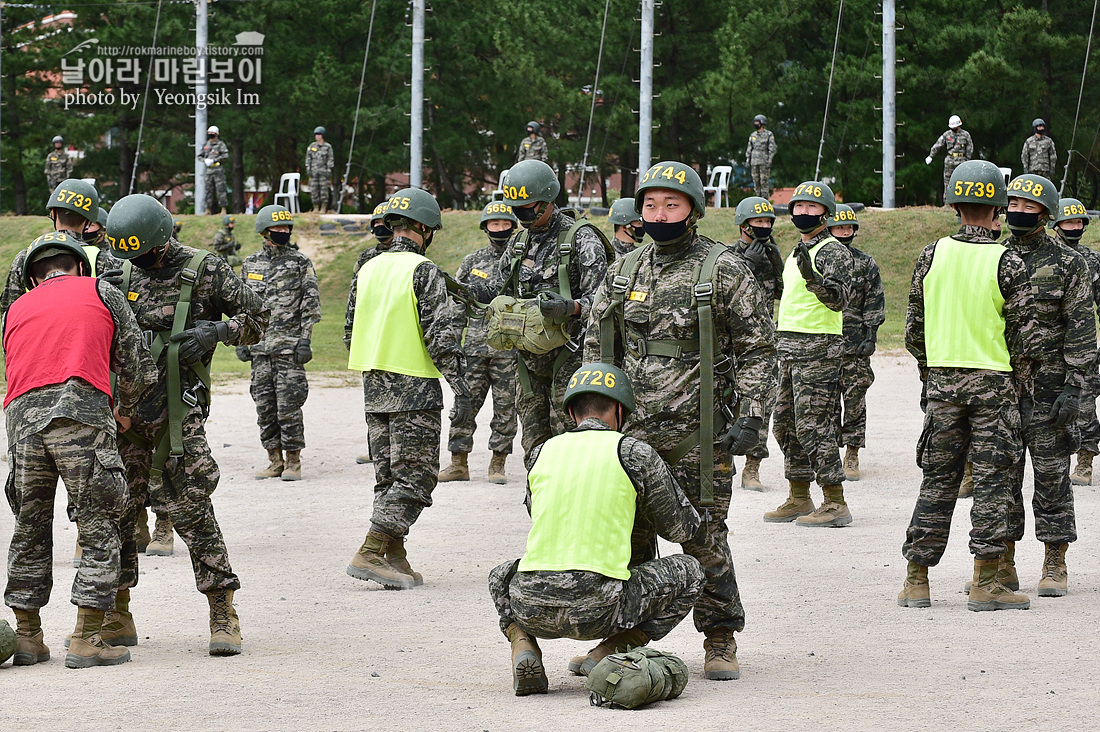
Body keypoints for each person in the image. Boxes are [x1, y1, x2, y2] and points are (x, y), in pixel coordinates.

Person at [584, 160, 777, 681]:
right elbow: (594, 350)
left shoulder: (723, 268)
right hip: (630, 437)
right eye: (649, 204)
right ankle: (625, 634)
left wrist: (755, 417)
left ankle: (719, 636)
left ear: (692, 208)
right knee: (629, 538)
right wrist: (590, 423)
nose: (658, 213)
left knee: (705, 536)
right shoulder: (624, 270)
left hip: (700, 433)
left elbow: (760, 349)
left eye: (671, 204)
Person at [103, 193, 269, 655]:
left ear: (163, 239)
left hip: (179, 414)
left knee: (192, 508)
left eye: (146, 253)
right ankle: (117, 611)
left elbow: (259, 317)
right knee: (118, 513)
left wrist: (215, 332)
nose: (140, 262)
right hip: (125, 414)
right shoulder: (116, 269)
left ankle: (222, 611)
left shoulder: (206, 269)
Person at [487, 363, 705, 696]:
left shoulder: (539, 453)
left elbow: (541, 513)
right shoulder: (633, 453)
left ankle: (522, 642)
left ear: (572, 412)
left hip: (532, 605)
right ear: (619, 409)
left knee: (499, 574)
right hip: (599, 608)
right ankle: (610, 650)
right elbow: (681, 529)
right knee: (691, 571)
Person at [3, 232, 156, 668]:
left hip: (22, 425)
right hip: (81, 416)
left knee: (29, 528)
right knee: (98, 525)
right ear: (78, 265)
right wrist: (124, 410)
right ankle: (87, 637)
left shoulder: (15, 308)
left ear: (33, 275)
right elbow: (138, 363)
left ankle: (28, 637)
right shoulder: (100, 291)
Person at [898, 160, 1039, 612]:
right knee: (994, 482)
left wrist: (932, 370)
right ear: (998, 207)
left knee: (937, 481)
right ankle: (987, 581)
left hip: (943, 383)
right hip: (994, 386)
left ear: (955, 204)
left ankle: (916, 580)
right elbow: (1025, 336)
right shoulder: (1009, 260)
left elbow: (912, 330)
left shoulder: (931, 254)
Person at [344, 187, 473, 589]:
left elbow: (350, 330)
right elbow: (440, 336)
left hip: (374, 383)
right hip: (413, 386)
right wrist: (463, 385)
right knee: (416, 477)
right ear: (423, 228)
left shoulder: (368, 267)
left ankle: (392, 554)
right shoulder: (423, 269)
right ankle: (369, 550)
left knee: (388, 478)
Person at [463, 159, 610, 469]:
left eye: (529, 209)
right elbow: (504, 290)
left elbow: (604, 301)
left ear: (548, 200)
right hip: (528, 364)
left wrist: (571, 307)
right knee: (534, 443)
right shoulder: (518, 243)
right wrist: (472, 294)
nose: (523, 217)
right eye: (517, 211)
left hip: (570, 362)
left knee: (570, 441)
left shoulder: (581, 239)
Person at [1002, 174, 1094, 598]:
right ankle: (1001, 561)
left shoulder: (1068, 263)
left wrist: (1077, 387)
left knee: (1052, 476)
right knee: (1000, 477)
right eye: (1014, 204)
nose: (1019, 212)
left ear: (1046, 212)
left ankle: (1055, 559)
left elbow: (1080, 326)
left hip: (1050, 388)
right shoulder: (992, 255)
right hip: (999, 384)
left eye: (1029, 206)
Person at [766, 181, 853, 527]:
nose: (803, 213)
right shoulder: (796, 250)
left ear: (825, 213)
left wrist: (812, 277)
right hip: (787, 347)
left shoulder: (832, 251)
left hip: (817, 349)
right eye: (798, 207)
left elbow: (839, 299)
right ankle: (799, 496)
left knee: (813, 426)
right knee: (785, 425)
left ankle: (835, 501)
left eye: (811, 208)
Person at [238, 205, 322, 481]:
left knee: (289, 407)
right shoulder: (250, 264)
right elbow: (242, 304)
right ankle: (274, 459)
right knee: (265, 407)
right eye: (279, 229)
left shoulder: (300, 263)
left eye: (287, 228)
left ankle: (293, 461)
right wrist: (241, 339)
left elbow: (310, 305)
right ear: (264, 232)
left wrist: (305, 341)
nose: (284, 232)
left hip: (288, 349)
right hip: (260, 351)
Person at [438, 202, 519, 484]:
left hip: (509, 350)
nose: (499, 229)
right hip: (473, 348)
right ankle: (458, 462)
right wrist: (453, 343)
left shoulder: (522, 261)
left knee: (506, 408)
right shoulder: (472, 262)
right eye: (494, 224)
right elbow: (458, 304)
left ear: (513, 226)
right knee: (464, 405)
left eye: (504, 224)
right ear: (485, 227)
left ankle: (498, 462)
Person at [1, 179, 118, 320]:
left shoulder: (25, 257)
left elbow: (8, 315)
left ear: (53, 213)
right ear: (89, 221)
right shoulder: (103, 259)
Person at [729, 196, 784, 491]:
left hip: (762, 343)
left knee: (760, 404)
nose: (763, 227)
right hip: (732, 344)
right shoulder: (726, 256)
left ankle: (752, 467)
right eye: (757, 222)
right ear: (743, 224)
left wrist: (777, 264)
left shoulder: (771, 254)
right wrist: (745, 264)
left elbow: (785, 294)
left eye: (767, 222)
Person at [827, 204, 884, 481]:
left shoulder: (865, 263)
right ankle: (826, 456)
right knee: (825, 404)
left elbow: (874, 299)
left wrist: (871, 335)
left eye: (849, 227)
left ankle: (851, 454)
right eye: (839, 227)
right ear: (829, 229)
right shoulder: (819, 261)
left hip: (855, 347)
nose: (845, 232)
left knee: (854, 401)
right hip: (824, 346)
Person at [1050, 199, 1100, 486]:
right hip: (1048, 346)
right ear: (1056, 225)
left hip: (1082, 347)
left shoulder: (1092, 260)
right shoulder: (1046, 257)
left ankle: (1085, 461)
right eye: (1069, 222)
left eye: (1079, 222)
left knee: (1084, 405)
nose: (1076, 227)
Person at [352, 201, 395, 466]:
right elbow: (355, 299)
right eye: (377, 223)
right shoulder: (366, 258)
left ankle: (394, 447)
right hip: (371, 335)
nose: (381, 228)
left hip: (395, 333)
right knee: (373, 397)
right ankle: (375, 446)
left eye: (385, 223)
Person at [925, 115, 974, 202]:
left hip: (961, 160)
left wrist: (967, 160)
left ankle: (962, 201)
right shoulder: (947, 134)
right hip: (950, 160)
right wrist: (931, 156)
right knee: (947, 181)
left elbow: (970, 148)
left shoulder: (965, 135)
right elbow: (938, 144)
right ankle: (947, 202)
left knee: (962, 180)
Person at [198, 125, 229, 215]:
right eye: (209, 133)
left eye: (212, 133)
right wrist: (205, 160)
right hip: (209, 171)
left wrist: (214, 160)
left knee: (221, 189)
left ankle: (223, 209)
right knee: (208, 190)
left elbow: (225, 155)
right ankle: (208, 209)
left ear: (216, 134)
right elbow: (199, 156)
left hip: (218, 169)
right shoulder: (206, 144)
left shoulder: (220, 144)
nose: (210, 135)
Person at [744, 115, 777, 199]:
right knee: (756, 182)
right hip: (754, 162)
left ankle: (765, 200)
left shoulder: (768, 134)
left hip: (764, 161)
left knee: (764, 182)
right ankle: (758, 199)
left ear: (762, 123)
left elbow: (772, 148)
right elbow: (749, 148)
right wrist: (747, 160)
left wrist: (770, 160)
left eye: (757, 122)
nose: (755, 124)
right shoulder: (753, 135)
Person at [305, 126, 335, 214]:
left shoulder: (327, 147)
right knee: (314, 190)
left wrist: (329, 169)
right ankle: (315, 207)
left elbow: (330, 158)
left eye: (319, 135)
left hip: (323, 172)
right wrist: (308, 168)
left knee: (324, 190)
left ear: (322, 136)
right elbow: (308, 158)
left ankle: (323, 207)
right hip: (314, 172)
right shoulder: (312, 146)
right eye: (316, 135)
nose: (317, 136)